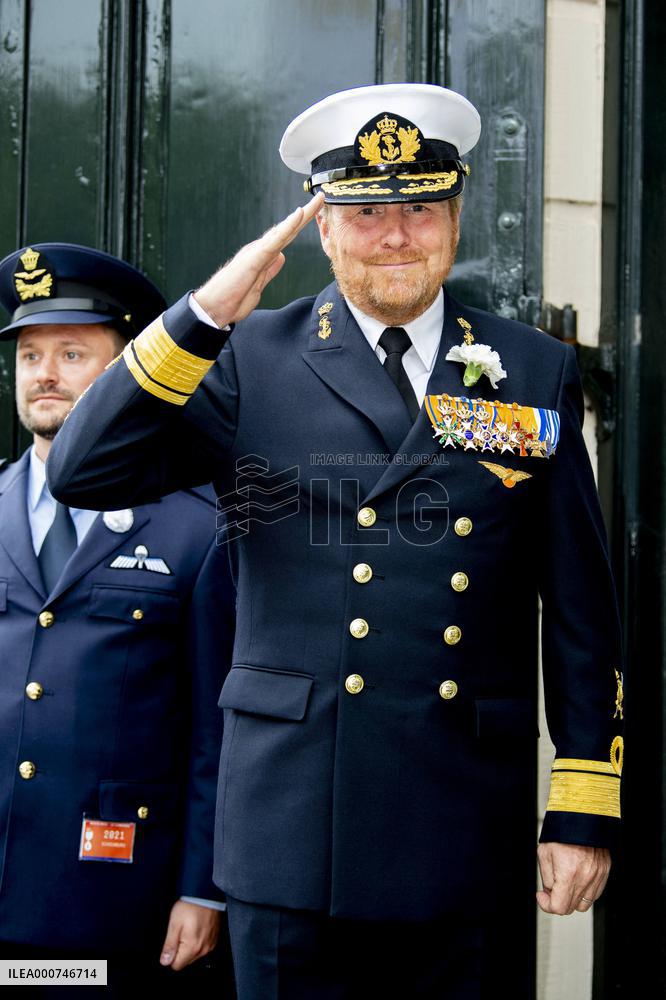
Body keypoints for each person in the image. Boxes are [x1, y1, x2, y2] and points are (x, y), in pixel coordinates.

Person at [47, 85, 624, 999]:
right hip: (293, 826)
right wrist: (203, 313)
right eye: (365, 214)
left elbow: (584, 607)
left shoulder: (532, 367)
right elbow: (82, 469)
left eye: (420, 207)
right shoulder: (248, 357)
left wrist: (582, 808)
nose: (396, 236)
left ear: (456, 217)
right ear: (324, 229)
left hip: (464, 820)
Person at [0, 243, 236, 996]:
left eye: (73, 353)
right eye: (31, 354)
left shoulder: (195, 528)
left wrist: (204, 886)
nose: (45, 372)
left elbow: (215, 730)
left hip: (115, 894)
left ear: (129, 369)